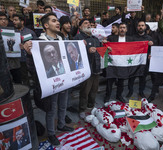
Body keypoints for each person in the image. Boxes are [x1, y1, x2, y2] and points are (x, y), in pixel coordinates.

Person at [24, 12, 74, 146]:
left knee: (63, 105)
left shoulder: (62, 40)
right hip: (51, 83)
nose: (58, 23)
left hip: (64, 80)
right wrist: (29, 53)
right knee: (52, 109)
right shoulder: (38, 43)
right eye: (53, 21)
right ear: (46, 25)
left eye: (57, 20)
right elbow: (32, 66)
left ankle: (62, 124)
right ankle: (51, 133)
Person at [74, 19, 103, 119]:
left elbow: (100, 51)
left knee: (94, 89)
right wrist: (87, 50)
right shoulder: (78, 38)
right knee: (85, 91)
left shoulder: (95, 38)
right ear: (80, 27)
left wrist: (106, 47)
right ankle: (82, 109)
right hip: (86, 70)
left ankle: (91, 106)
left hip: (96, 68)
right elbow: (74, 54)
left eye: (90, 24)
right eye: (86, 23)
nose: (89, 25)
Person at [104, 23, 133, 103]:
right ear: (118, 29)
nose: (122, 29)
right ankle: (107, 96)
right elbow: (104, 46)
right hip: (113, 63)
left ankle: (119, 95)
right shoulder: (111, 38)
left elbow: (137, 47)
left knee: (121, 81)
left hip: (123, 64)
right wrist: (104, 43)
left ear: (126, 29)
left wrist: (147, 43)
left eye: (124, 27)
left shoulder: (130, 39)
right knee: (110, 81)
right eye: (121, 27)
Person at [126, 20, 153, 98]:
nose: (140, 27)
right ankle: (130, 91)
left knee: (142, 78)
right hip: (134, 62)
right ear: (137, 27)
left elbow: (152, 50)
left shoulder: (149, 38)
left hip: (144, 62)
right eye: (139, 25)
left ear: (145, 27)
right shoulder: (132, 37)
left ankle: (141, 91)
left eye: (142, 25)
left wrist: (151, 50)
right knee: (131, 78)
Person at [13, 14, 37, 85]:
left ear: (22, 22)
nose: (14, 22)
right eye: (13, 20)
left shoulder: (30, 32)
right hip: (20, 60)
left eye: (16, 20)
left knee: (35, 78)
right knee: (24, 79)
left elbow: (36, 45)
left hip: (31, 60)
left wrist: (26, 47)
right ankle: (27, 95)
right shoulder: (13, 33)